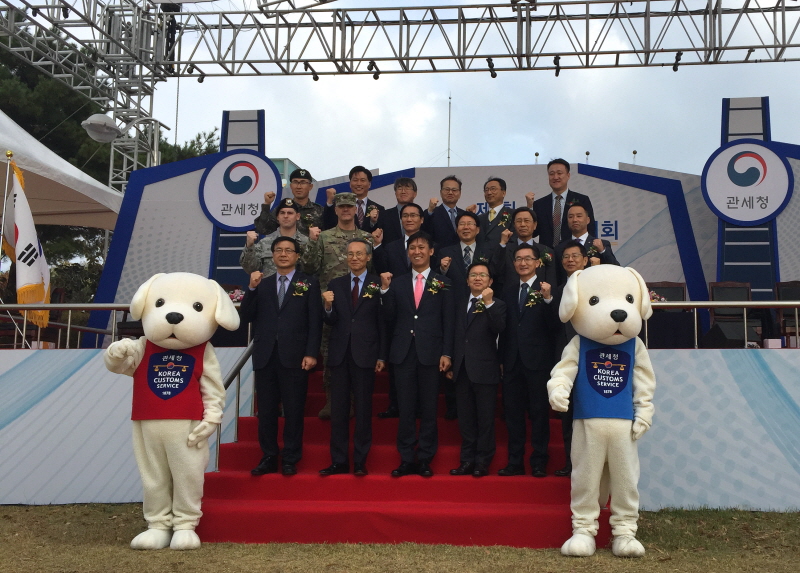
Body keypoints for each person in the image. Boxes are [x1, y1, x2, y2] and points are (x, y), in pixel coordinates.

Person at [239, 236, 323, 477]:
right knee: (266, 411)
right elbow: (246, 316)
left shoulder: (308, 283)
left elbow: (315, 322)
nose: (283, 254)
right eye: (278, 250)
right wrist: (251, 289)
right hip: (266, 356)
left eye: (288, 250)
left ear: (297, 256)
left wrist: (311, 352)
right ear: (272, 255)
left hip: (296, 357)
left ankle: (290, 457)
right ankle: (268, 456)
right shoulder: (262, 284)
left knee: (294, 410)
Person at [381, 231, 454, 477]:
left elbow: (448, 321)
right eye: (412, 247)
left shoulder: (442, 282)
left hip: (431, 354)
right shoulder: (398, 282)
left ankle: (425, 458)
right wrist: (384, 292)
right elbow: (389, 317)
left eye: (422, 247)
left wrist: (447, 352)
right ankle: (406, 459)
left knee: (429, 408)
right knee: (406, 408)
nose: (417, 251)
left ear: (431, 251)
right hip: (403, 353)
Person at [301, 192, 379, 419]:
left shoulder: (367, 238)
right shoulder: (324, 237)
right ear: (335, 210)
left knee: (359, 357)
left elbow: (372, 272)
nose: (345, 210)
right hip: (332, 307)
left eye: (349, 207)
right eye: (341, 207)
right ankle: (332, 401)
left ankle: (355, 401)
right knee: (331, 356)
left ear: (356, 209)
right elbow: (309, 267)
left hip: (359, 307)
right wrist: (313, 243)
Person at [319, 238, 387, 477]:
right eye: (350, 254)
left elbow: (383, 322)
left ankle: (360, 460)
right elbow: (330, 321)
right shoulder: (335, 284)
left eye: (359, 254)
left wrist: (382, 355)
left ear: (368, 257)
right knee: (338, 411)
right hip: (339, 355)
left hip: (366, 354)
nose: (354, 258)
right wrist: (327, 307)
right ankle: (339, 461)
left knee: (363, 409)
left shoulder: (378, 283)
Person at [499, 243, 555, 477]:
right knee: (513, 414)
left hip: (538, 362)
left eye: (528, 259)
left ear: (537, 263)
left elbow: (554, 326)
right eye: (518, 259)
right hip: (511, 362)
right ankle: (515, 461)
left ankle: (539, 461)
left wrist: (549, 299)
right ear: (513, 264)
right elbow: (504, 328)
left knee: (540, 413)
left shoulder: (546, 291)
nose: (523, 263)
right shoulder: (508, 291)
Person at [449, 263, 506, 477]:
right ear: (467, 280)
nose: (478, 278)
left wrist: (488, 303)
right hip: (462, 369)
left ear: (490, 281)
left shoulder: (497, 304)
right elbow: (454, 334)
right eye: (473, 275)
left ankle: (482, 462)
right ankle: (466, 460)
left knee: (485, 420)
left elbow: (499, 328)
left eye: (483, 275)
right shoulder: (459, 303)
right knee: (466, 419)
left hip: (485, 369)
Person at [551, 240, 590, 478]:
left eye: (575, 256)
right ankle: (570, 463)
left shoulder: (598, 288)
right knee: (568, 417)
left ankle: (591, 465)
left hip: (592, 359)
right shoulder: (557, 290)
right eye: (566, 256)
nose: (570, 260)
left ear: (585, 260)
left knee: (589, 417)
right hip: (566, 361)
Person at [490, 206, 557, 295]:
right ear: (514, 225)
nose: (522, 224)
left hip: (539, 302)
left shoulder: (546, 251)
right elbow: (495, 272)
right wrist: (502, 244)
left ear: (535, 225)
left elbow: (551, 282)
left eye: (526, 221)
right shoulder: (504, 249)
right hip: (508, 302)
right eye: (518, 221)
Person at [531, 159, 594, 248]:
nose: (555, 177)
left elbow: (590, 229)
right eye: (551, 174)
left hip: (573, 253)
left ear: (568, 175)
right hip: (547, 255)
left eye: (559, 173)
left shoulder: (582, 200)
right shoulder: (539, 204)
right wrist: (529, 208)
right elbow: (533, 232)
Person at [240, 198, 309, 276]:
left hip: (298, 287)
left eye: (290, 213)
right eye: (282, 213)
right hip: (270, 287)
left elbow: (314, 269)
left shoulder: (307, 243)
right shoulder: (265, 243)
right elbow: (250, 269)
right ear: (277, 217)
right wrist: (249, 246)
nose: (286, 216)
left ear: (297, 216)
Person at [554, 202, 619, 285]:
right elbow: (557, 277)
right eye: (571, 217)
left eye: (579, 216)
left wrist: (602, 250)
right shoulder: (560, 248)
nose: (574, 220)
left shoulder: (601, 244)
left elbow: (616, 269)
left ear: (588, 220)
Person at [437, 211, 492, 303]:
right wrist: (443, 269)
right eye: (462, 224)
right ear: (456, 229)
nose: (466, 227)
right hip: (453, 302)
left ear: (478, 230)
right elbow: (437, 279)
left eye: (470, 224)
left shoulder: (488, 252)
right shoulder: (445, 252)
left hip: (482, 301)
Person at [253, 169, 325, 235]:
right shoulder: (283, 209)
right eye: (295, 182)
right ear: (291, 186)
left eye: (303, 182)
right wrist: (267, 204)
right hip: (286, 248)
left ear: (310, 186)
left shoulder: (319, 211)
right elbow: (264, 229)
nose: (298, 186)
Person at [373, 203, 428, 278]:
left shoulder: (431, 245)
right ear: (401, 220)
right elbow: (381, 270)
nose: (409, 219)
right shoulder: (391, 248)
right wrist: (377, 244)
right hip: (397, 288)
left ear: (422, 219)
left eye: (413, 215)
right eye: (405, 216)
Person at [323, 166, 384, 232]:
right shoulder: (339, 206)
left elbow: (380, 233)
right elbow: (327, 225)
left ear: (369, 184)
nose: (359, 184)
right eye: (355, 180)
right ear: (350, 183)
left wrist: (373, 222)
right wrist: (329, 201)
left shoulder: (379, 209)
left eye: (362, 180)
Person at [422, 175, 466, 248]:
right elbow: (424, 230)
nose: (450, 192)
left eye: (454, 190)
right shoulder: (432, 213)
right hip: (439, 256)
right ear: (441, 192)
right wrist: (430, 210)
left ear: (460, 194)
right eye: (447, 189)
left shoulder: (464, 214)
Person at [474, 177, 514, 251]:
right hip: (482, 260)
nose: (489, 193)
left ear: (503, 193)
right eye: (486, 190)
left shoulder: (513, 214)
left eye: (493, 189)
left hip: (504, 258)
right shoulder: (479, 218)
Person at [377, 177, 421, 245]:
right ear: (395, 193)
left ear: (415, 194)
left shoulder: (421, 215)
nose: (403, 191)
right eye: (400, 188)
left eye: (407, 188)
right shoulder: (384, 215)